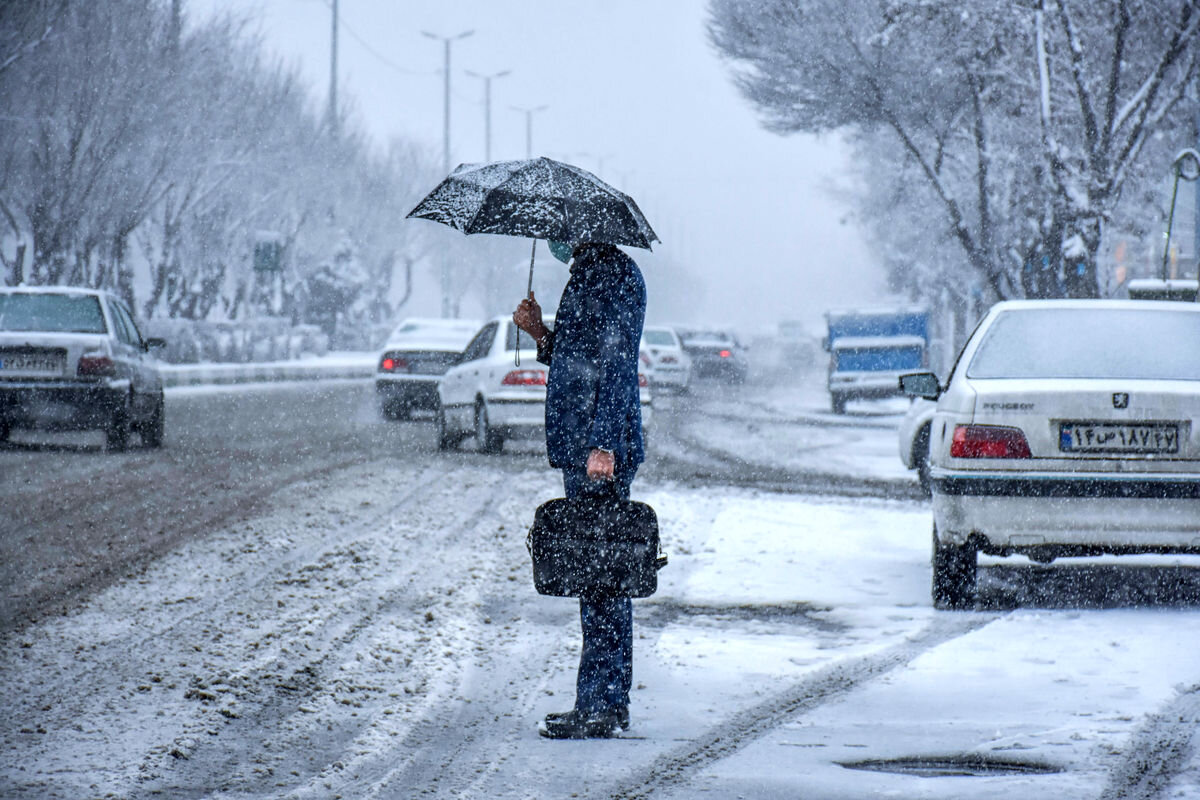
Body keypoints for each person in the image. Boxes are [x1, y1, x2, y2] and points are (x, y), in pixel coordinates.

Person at [513, 239, 646, 739]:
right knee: (598, 575)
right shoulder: (590, 273)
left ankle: (603, 704)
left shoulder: (610, 274)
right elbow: (577, 358)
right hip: (586, 447)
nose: (553, 240)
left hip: (597, 453)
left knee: (604, 578)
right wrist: (540, 334)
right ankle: (600, 701)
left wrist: (604, 444)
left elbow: (615, 362)